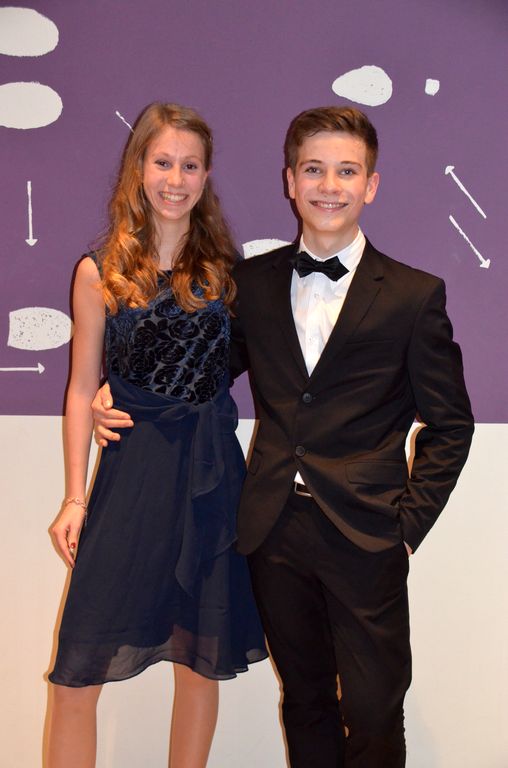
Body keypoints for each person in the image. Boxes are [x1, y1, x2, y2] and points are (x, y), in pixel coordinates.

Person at [93, 106, 474, 767]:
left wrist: (407, 526)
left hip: (368, 531)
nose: (329, 186)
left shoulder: (414, 296)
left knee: (374, 709)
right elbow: (199, 371)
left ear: (371, 185)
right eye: (314, 170)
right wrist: (119, 391)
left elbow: (451, 423)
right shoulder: (252, 285)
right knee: (305, 701)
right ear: (291, 181)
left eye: (347, 172)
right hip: (273, 528)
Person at [48, 102, 267, 768]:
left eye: (190, 166)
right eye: (163, 162)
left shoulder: (229, 276)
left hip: (210, 478)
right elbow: (81, 388)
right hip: (131, 476)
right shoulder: (98, 271)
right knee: (76, 673)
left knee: (199, 661)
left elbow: (253, 367)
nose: (176, 179)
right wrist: (74, 497)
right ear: (138, 168)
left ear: (206, 176)